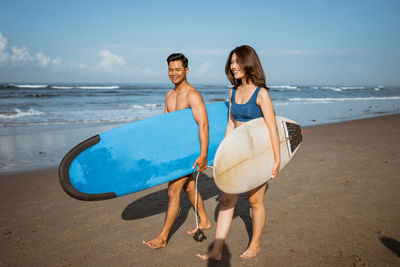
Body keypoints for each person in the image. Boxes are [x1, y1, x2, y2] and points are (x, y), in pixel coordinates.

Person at [196, 45, 281, 260]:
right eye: (231, 62)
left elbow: (272, 127)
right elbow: (231, 125)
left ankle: (255, 243)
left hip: (258, 155)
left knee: (254, 202)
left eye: (237, 62)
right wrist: (223, 153)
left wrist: (277, 159)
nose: (233, 66)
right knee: (227, 201)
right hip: (237, 154)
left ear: (248, 62)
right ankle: (216, 249)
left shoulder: (261, 94)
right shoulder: (232, 92)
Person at [142, 53, 212, 249]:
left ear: (186, 70)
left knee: (173, 191)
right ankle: (204, 220)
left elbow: (203, 125)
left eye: (177, 69)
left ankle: (163, 237)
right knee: (189, 187)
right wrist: (159, 151)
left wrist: (203, 154)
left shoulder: (192, 94)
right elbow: (166, 125)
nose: (173, 73)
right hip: (175, 152)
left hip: (189, 152)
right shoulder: (169, 95)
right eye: (170, 69)